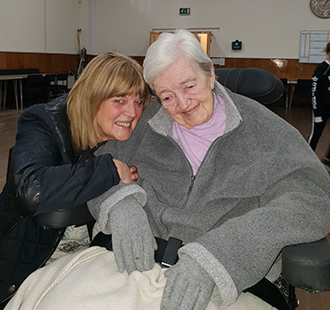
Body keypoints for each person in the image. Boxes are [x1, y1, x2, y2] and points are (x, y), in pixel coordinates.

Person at [4, 30, 330, 310]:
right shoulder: (147, 122)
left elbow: (312, 196)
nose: (182, 105)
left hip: (224, 280)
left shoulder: (266, 131)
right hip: (127, 265)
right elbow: (102, 168)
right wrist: (121, 204)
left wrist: (224, 253)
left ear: (210, 73)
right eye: (167, 96)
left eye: (189, 86)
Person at [0, 52, 149, 308]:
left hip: (87, 259)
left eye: (137, 101)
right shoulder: (43, 121)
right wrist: (109, 169)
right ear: (93, 98)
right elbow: (29, 189)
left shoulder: (124, 133)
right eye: (119, 100)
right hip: (25, 261)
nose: (132, 112)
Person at [308, 41, 330, 171]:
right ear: (328, 53)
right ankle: (306, 158)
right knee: (316, 134)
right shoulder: (321, 68)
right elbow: (314, 92)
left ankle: (327, 160)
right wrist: (317, 112)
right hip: (321, 108)